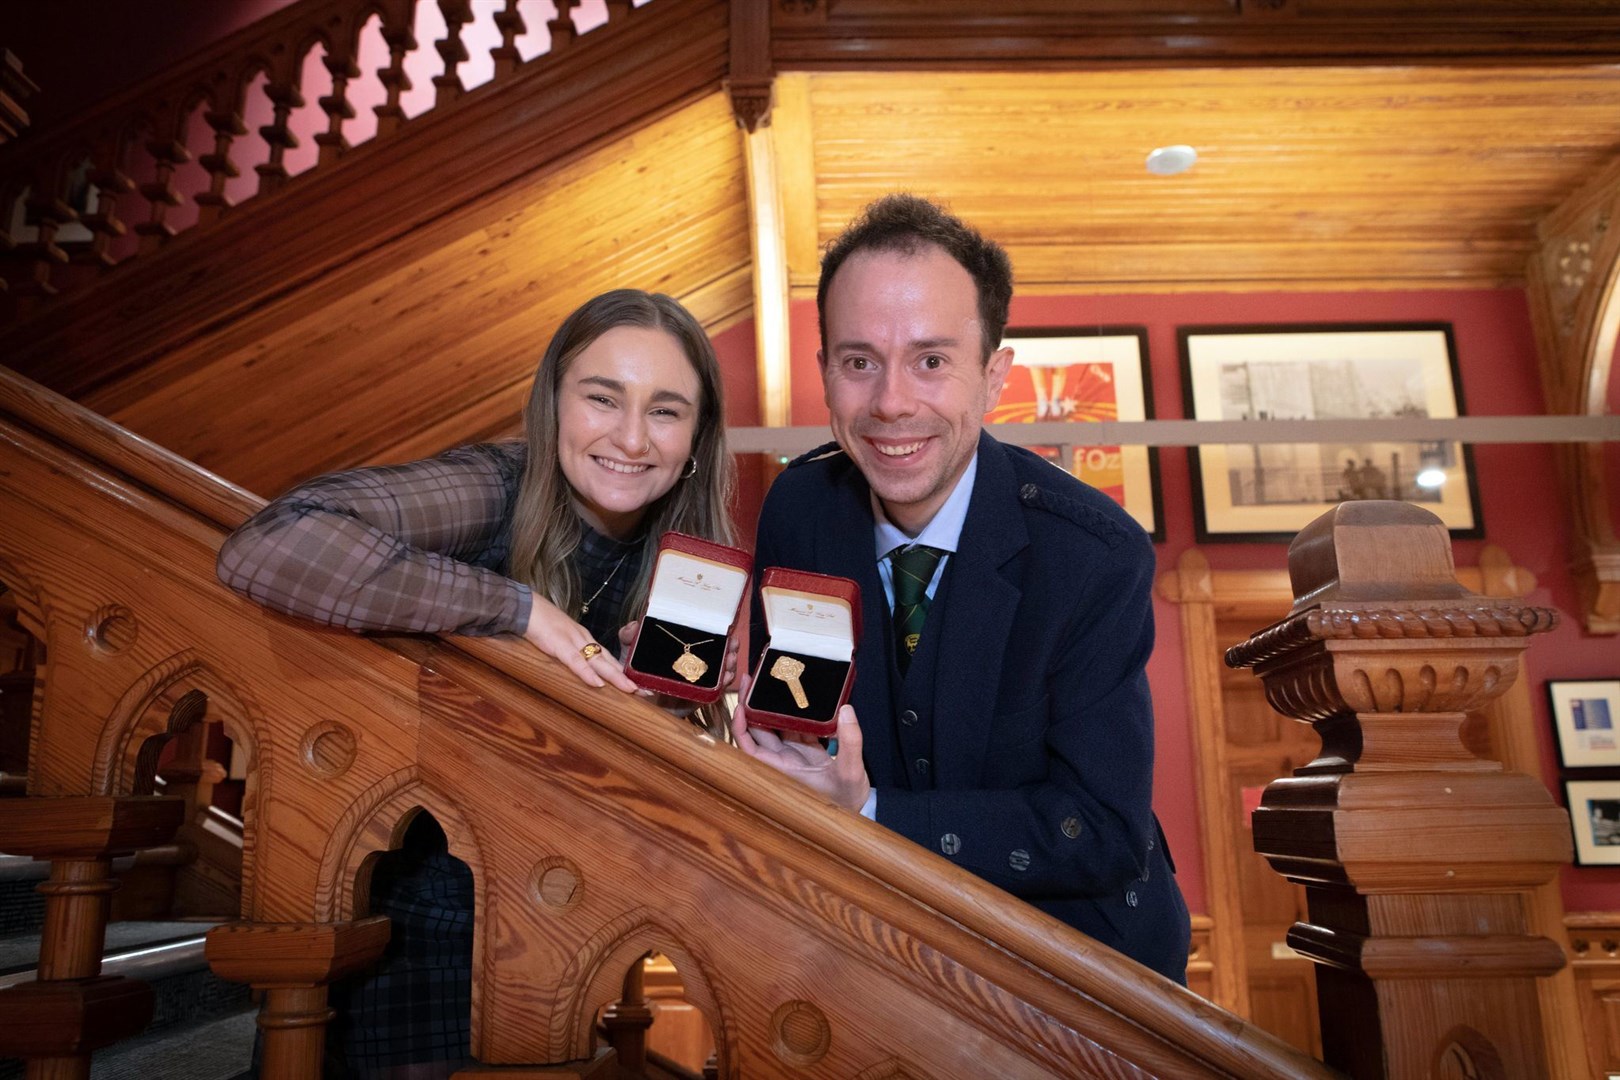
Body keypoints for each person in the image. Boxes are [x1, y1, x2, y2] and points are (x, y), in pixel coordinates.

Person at [217, 288, 737, 1078]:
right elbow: (269, 545)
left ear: (698, 434)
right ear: (553, 402)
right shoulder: (495, 486)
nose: (632, 438)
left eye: (666, 412)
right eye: (603, 398)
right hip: (407, 924)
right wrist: (518, 610)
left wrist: (676, 704)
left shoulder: (686, 551)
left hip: (550, 930)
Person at [733, 195, 1190, 983]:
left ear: (993, 375)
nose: (891, 403)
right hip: (870, 951)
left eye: (932, 360)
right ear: (825, 375)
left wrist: (871, 813)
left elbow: (1103, 831)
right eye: (858, 361)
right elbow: (796, 732)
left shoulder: (1096, 554)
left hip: (1084, 969)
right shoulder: (799, 511)